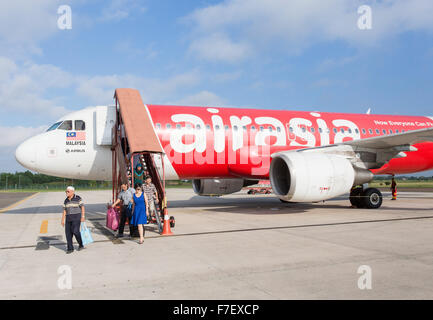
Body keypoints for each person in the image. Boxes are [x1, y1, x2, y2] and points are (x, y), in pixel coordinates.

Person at [61, 186, 85, 254]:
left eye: (68, 191)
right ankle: (70, 248)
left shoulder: (78, 198)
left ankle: (80, 244)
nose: (66, 192)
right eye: (66, 191)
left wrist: (83, 216)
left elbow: (82, 207)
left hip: (76, 218)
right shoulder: (66, 200)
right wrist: (62, 220)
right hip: (68, 219)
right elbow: (64, 210)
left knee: (75, 231)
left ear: (72, 192)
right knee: (68, 234)